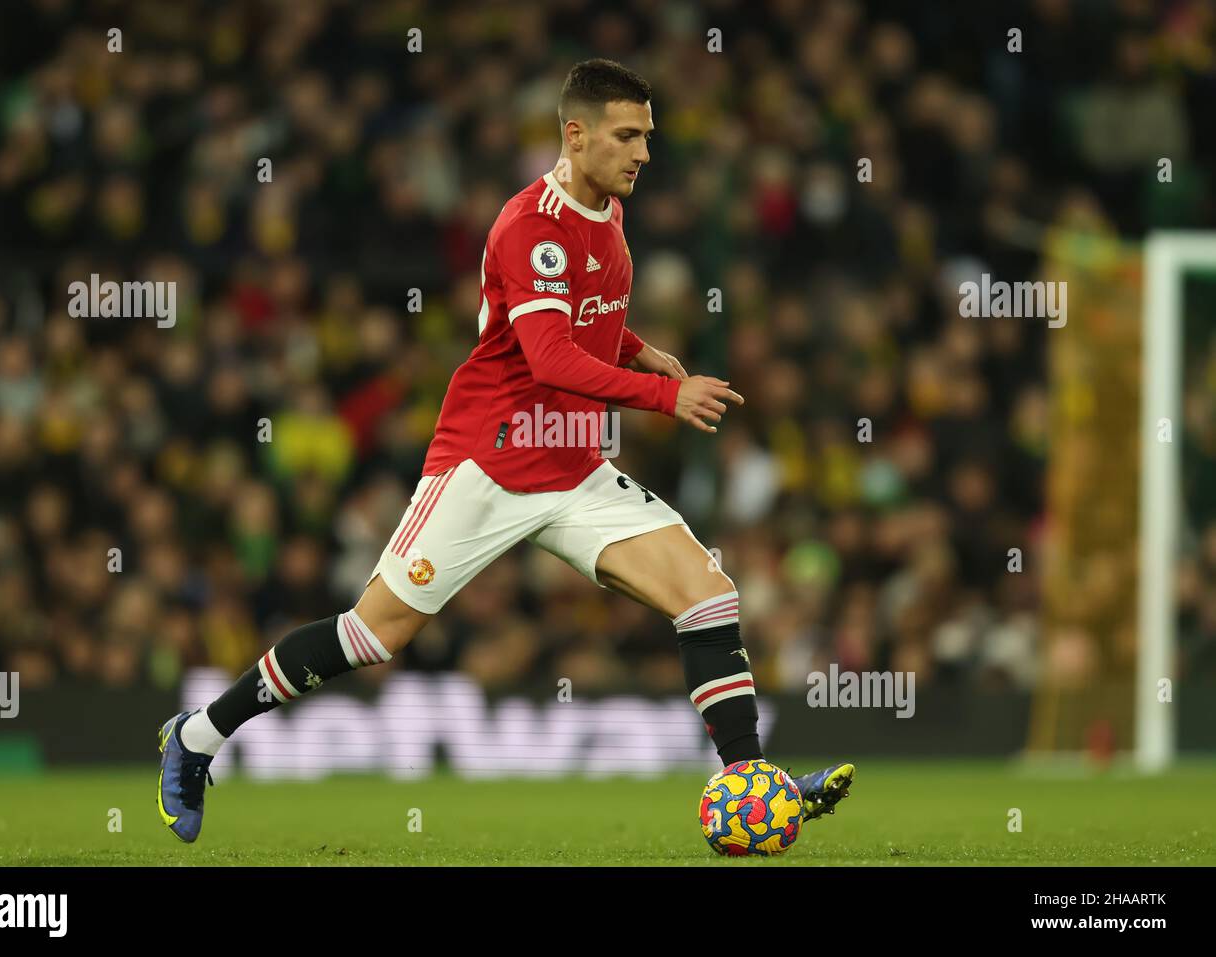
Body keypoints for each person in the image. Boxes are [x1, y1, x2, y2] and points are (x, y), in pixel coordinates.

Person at [157, 58, 854, 843]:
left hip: (573, 466)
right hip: (486, 464)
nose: (644, 154)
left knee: (708, 594)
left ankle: (747, 782)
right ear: (575, 134)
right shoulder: (530, 227)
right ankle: (198, 736)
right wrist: (666, 396)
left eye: (648, 136)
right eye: (628, 136)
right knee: (372, 634)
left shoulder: (609, 211)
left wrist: (636, 347)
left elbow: (578, 320)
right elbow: (550, 356)